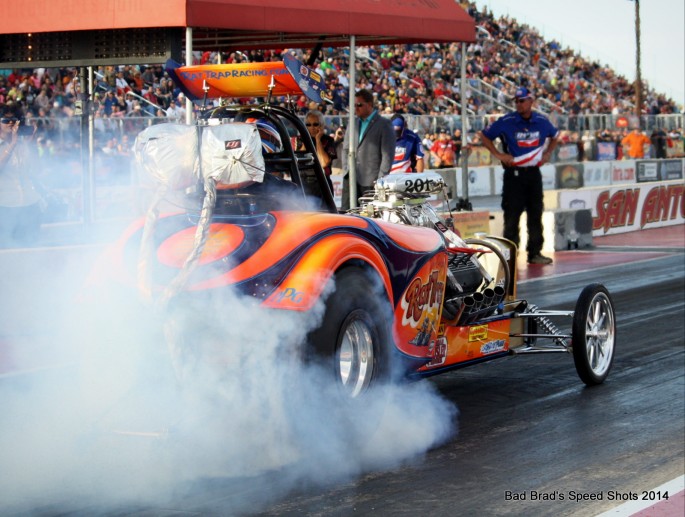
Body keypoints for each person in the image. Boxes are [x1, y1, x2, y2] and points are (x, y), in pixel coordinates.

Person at [479, 87, 559, 265]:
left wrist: (547, 154)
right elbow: (484, 136)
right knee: (512, 214)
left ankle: (535, 252)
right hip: (513, 174)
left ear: (531, 101)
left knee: (536, 212)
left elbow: (555, 136)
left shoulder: (541, 121)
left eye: (522, 100)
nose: (519, 104)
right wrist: (499, 155)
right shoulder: (507, 121)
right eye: (516, 101)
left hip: (533, 173)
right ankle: (509, 255)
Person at [341, 88, 395, 210]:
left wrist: (380, 179)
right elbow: (345, 149)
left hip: (371, 181)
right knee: (346, 214)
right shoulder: (353, 123)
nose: (356, 108)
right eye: (354, 105)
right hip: (351, 178)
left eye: (359, 105)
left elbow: (387, 155)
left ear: (369, 105)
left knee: (369, 217)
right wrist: (346, 170)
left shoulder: (384, 124)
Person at [0, 104, 43, 247]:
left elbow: (37, 169)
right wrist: (11, 144)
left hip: (29, 204)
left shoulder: (21, 144)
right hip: (5, 207)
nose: (11, 122)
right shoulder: (12, 144)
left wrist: (32, 143)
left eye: (14, 119)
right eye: (6, 120)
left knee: (32, 250)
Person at [303, 109, 337, 195]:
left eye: (315, 124)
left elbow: (324, 163)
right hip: (304, 183)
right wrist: (306, 138)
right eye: (308, 125)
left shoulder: (328, 140)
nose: (312, 127)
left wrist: (318, 140)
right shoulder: (298, 140)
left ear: (321, 125)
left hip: (323, 183)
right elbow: (299, 162)